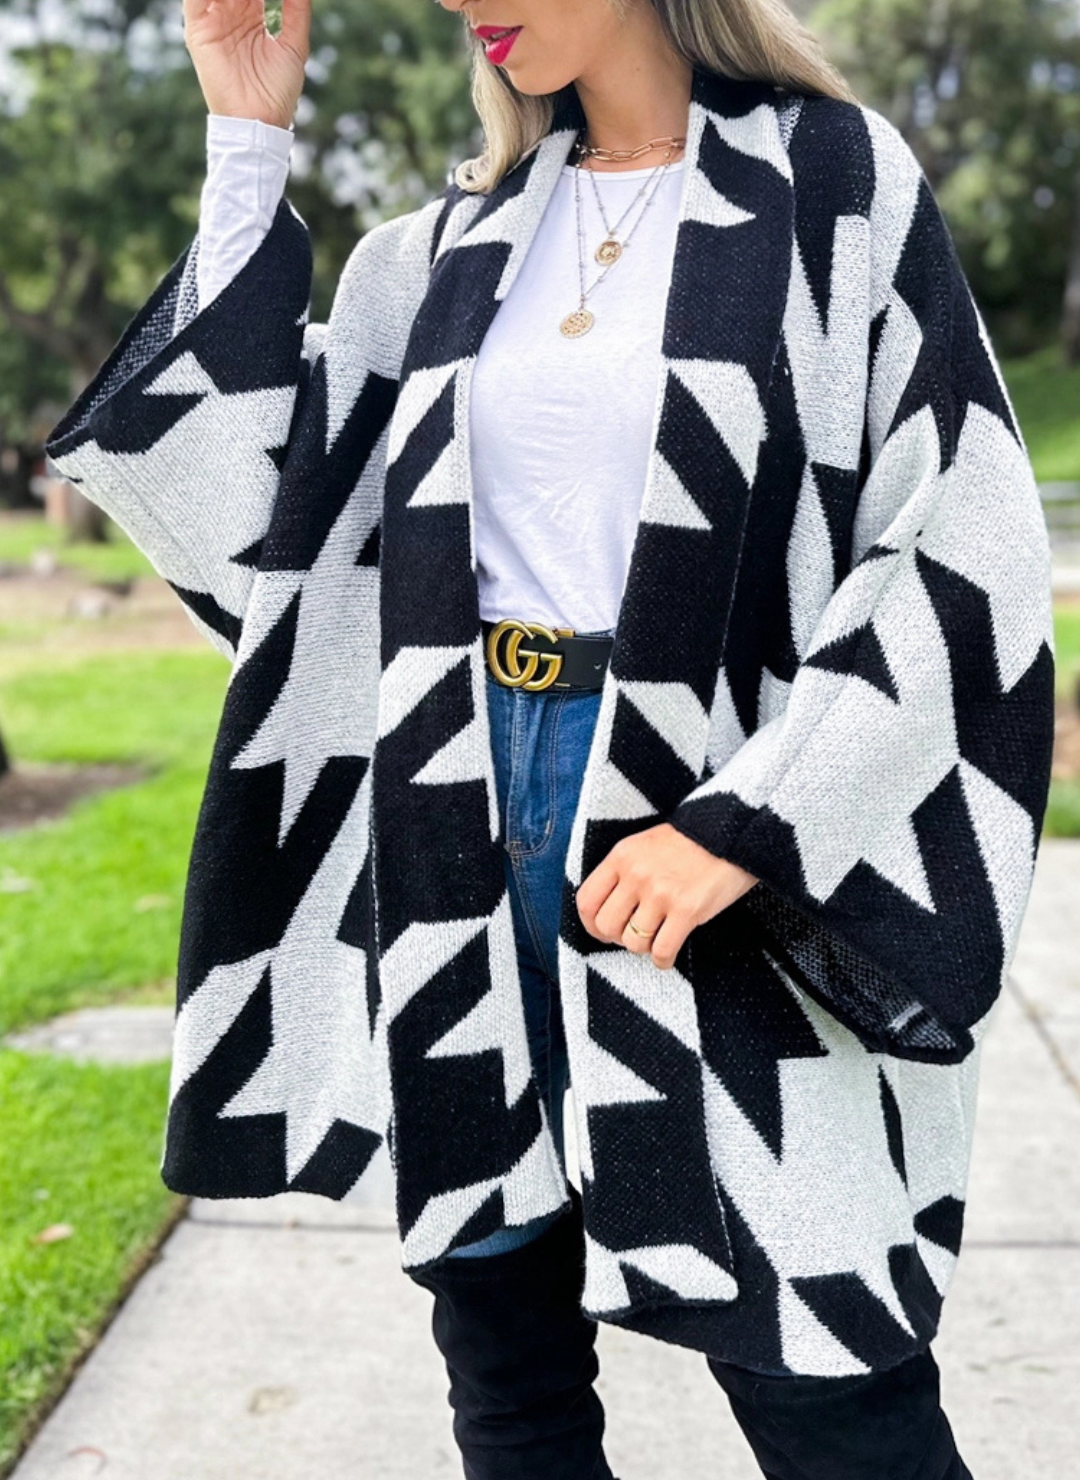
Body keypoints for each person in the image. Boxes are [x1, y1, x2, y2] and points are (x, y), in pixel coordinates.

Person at [44, 0, 1056, 1476]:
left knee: (828, 1374)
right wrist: (247, 137)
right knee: (506, 1369)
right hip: (456, 820)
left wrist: (751, 821)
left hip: (697, 819)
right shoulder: (447, 249)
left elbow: (962, 528)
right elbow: (251, 521)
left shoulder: (829, 183)